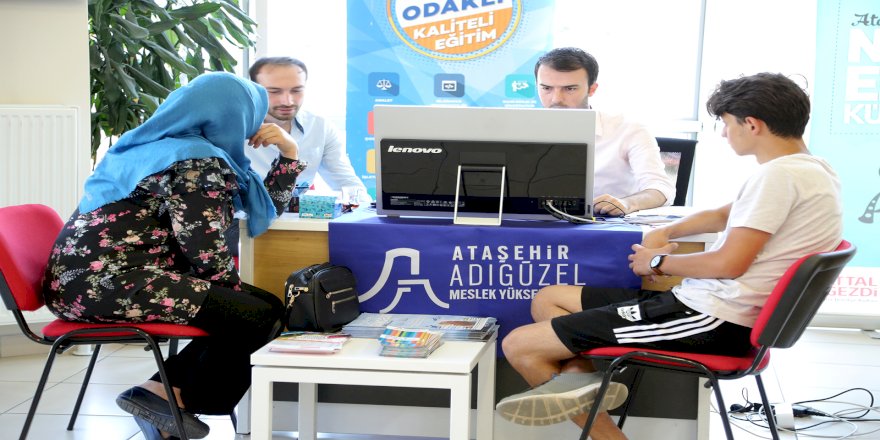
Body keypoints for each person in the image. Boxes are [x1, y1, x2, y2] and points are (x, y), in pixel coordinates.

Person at [496, 72, 843, 439]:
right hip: (710, 309)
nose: (724, 134)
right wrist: (666, 232)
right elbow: (723, 215)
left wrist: (657, 262)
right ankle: (579, 381)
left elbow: (728, 264)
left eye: (726, 124)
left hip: (712, 321)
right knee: (550, 298)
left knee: (520, 346)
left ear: (752, 125)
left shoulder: (777, 177)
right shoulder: (812, 169)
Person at [42, 72, 306, 439]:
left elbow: (261, 210)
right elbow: (204, 249)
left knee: (264, 308)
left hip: (86, 282)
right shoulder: (196, 161)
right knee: (254, 314)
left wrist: (289, 152)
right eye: (251, 114)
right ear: (232, 115)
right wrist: (236, 299)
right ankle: (178, 399)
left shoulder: (158, 145)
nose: (254, 125)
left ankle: (161, 396)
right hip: (110, 284)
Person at [535, 47, 675, 216]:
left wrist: (627, 203)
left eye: (570, 89)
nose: (556, 99)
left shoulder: (628, 129)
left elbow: (661, 188)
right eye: (546, 88)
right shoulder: (520, 128)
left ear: (592, 89)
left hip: (606, 223)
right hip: (532, 221)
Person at [246, 56, 370, 203]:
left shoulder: (319, 126)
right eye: (274, 91)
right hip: (243, 216)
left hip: (298, 216)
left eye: (296, 90)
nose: (287, 101)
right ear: (254, 90)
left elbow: (348, 185)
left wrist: (368, 209)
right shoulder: (232, 128)